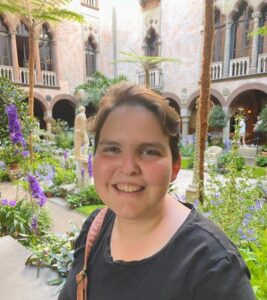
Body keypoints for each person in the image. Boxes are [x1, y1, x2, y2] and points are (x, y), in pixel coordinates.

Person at [59, 83, 255, 300]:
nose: (128, 168)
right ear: (94, 159)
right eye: (112, 149)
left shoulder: (213, 269)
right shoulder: (94, 229)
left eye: (149, 151)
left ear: (175, 167)